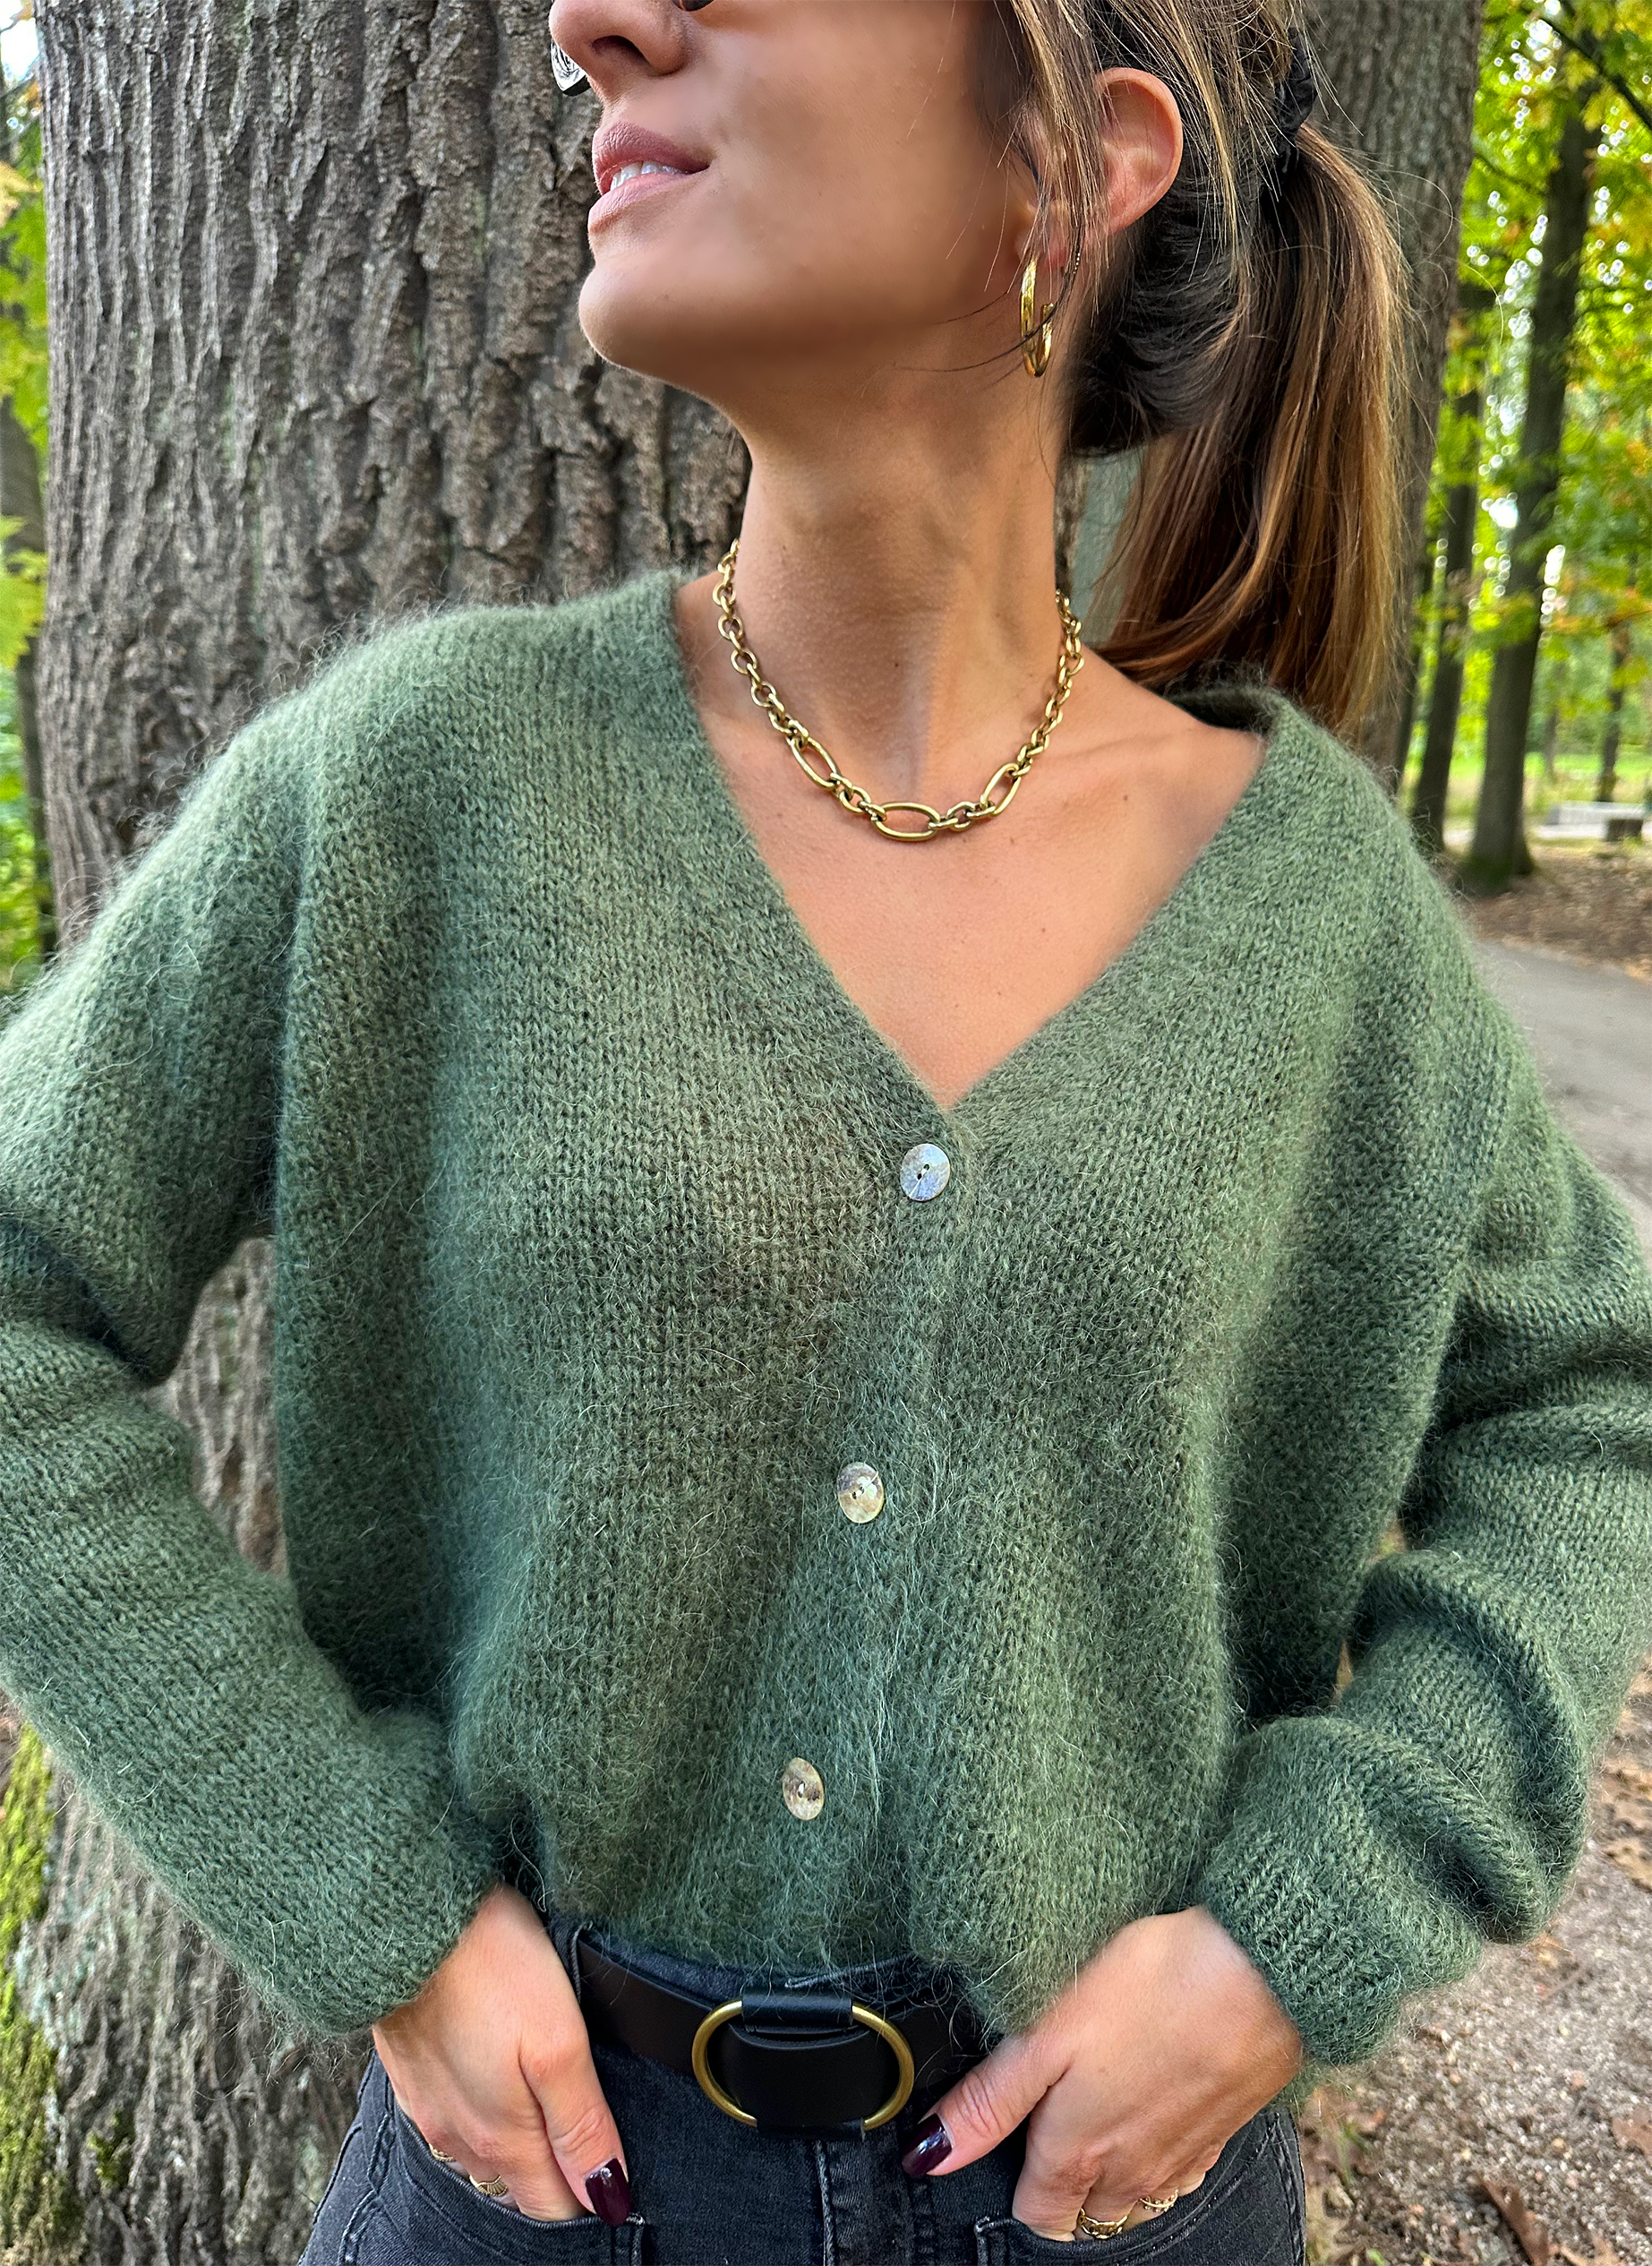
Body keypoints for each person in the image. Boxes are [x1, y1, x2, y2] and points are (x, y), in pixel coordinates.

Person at [2, 1, 1650, 2260]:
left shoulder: (1313, 916)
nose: (594, 19)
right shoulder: (420, 791)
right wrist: (350, 1884)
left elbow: (1588, 1399)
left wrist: (1308, 1916)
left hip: (1115, 2197)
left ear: (1076, 158)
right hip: (530, 2184)